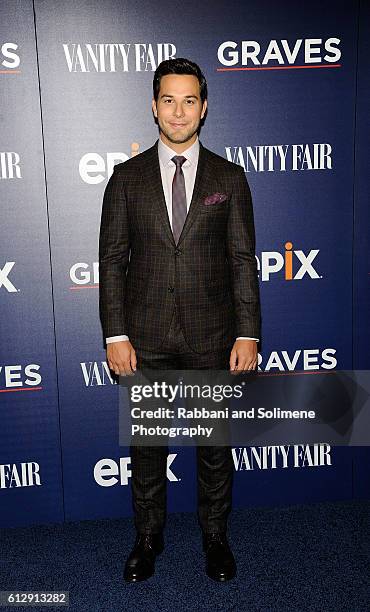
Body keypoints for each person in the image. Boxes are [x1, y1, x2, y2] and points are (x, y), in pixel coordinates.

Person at [99, 58, 261, 583]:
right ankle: (148, 538)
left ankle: (215, 536)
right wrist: (116, 333)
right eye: (168, 99)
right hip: (144, 341)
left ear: (204, 107)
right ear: (153, 106)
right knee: (147, 450)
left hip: (212, 338)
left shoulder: (228, 177)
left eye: (189, 100)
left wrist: (248, 330)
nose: (178, 111)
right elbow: (112, 261)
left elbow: (242, 258)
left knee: (214, 448)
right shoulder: (125, 179)